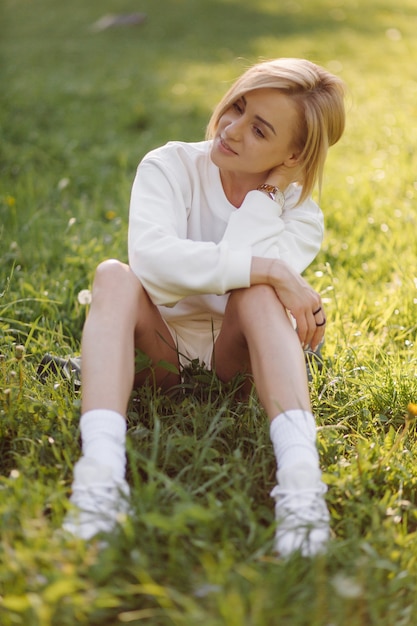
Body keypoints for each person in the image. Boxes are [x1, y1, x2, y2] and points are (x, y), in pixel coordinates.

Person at [62, 57, 345, 557]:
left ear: (293, 153)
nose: (232, 129)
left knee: (254, 292)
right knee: (113, 275)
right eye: (237, 106)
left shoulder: (301, 214)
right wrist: (275, 270)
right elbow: (150, 263)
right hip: (159, 353)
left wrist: (267, 197)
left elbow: (225, 291)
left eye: (259, 130)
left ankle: (302, 485)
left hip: (237, 365)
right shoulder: (169, 165)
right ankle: (99, 478)